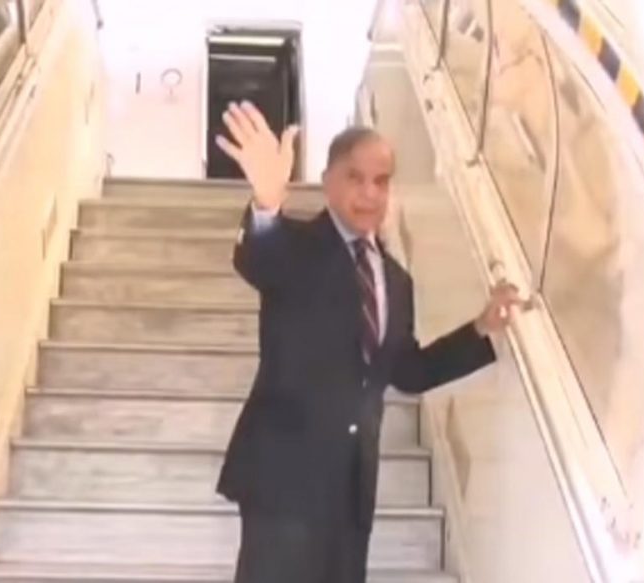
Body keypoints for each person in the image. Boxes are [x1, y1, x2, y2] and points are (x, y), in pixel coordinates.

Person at [214, 101, 523, 583]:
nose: (369, 193)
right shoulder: (296, 247)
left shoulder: (395, 280)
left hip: (351, 488)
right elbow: (259, 259)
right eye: (355, 178)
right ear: (327, 181)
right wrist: (268, 204)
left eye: (381, 181)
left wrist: (481, 329)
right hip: (283, 482)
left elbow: (407, 371)